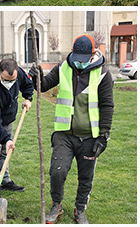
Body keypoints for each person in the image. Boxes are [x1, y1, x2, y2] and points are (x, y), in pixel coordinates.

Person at [30, 35, 114, 224]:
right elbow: (43, 85)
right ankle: (56, 205)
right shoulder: (63, 67)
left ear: (93, 54)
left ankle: (80, 209)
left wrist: (104, 134)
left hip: (90, 136)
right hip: (64, 133)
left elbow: (107, 105)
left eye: (83, 59)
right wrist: (37, 76)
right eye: (76, 57)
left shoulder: (102, 73)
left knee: (86, 176)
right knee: (57, 171)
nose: (78, 62)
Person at [0, 58, 34, 196]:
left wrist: (28, 98)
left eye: (13, 80)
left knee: (5, 152)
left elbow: (27, 85)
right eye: (6, 80)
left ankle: (5, 182)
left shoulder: (17, 73)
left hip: (8, 120)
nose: (10, 83)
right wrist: (6, 139)